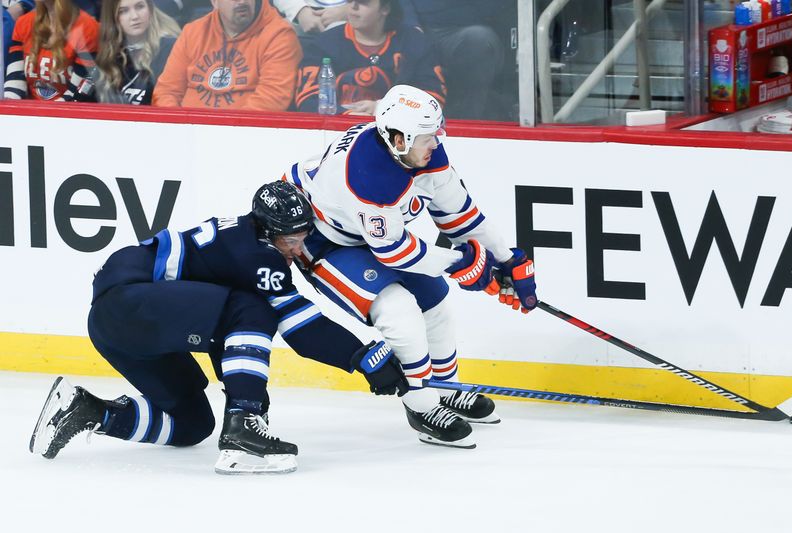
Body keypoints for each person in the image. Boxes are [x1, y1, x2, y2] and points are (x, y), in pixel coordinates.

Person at [29, 181, 409, 474]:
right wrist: (364, 358)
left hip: (121, 325)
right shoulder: (257, 255)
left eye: (302, 238)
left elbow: (224, 335)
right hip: (127, 303)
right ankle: (243, 429)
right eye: (290, 240)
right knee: (254, 309)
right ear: (268, 234)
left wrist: (247, 391)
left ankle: (88, 411)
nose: (297, 250)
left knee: (192, 425)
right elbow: (300, 328)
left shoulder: (245, 243)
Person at [285, 84, 538, 448]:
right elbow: (394, 252)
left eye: (437, 134)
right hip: (322, 237)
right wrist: (459, 262)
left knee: (434, 300)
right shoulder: (367, 176)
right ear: (398, 139)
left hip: (371, 232)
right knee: (398, 309)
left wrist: (506, 259)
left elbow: (460, 214)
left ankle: (445, 388)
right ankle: (421, 406)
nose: (435, 144)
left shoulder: (420, 152)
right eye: (426, 138)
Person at [294, 0, 445, 115]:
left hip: (399, 134)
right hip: (336, 132)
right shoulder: (323, 44)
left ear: (385, 9)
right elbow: (307, 100)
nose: (353, 7)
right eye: (350, 1)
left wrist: (381, 108)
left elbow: (433, 98)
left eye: (363, 2)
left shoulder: (413, 41)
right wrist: (348, 115)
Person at [152, 0, 301, 110]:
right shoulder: (192, 32)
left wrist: (222, 132)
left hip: (245, 138)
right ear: (215, 2)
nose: (242, 2)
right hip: (187, 135)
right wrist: (179, 128)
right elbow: (166, 92)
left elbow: (271, 101)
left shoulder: (279, 36)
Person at [404, 0, 515, 120]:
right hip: (417, 26)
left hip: (467, 27)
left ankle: (469, 123)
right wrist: (410, 22)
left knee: (479, 41)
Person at [3, 0, 98, 100]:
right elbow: (15, 82)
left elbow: (77, 94)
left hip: (69, 111)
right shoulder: (23, 23)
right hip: (30, 111)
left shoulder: (88, 27)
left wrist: (47, 114)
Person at [90, 0, 180, 104]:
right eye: (123, 11)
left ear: (150, 9)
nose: (134, 16)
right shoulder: (111, 55)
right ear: (113, 18)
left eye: (140, 7)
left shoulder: (170, 48)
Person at [272, 0, 348, 34]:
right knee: (277, 31)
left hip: (351, 18)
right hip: (304, 15)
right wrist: (300, 11)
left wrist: (347, 10)